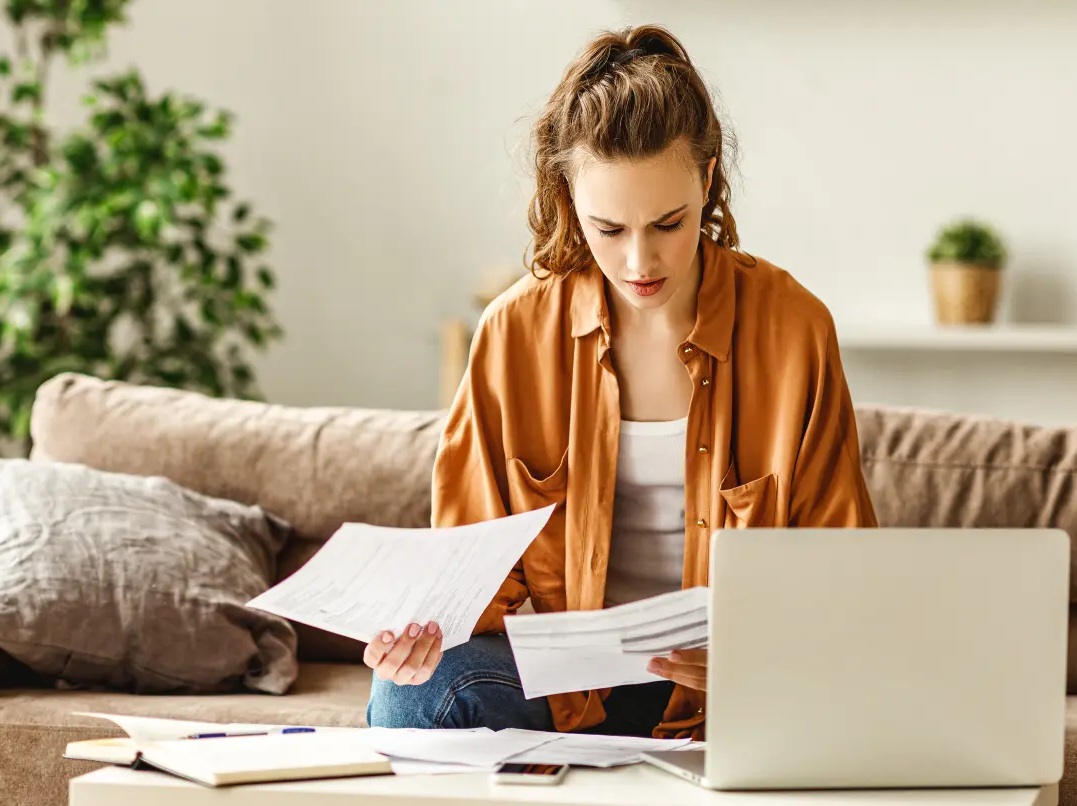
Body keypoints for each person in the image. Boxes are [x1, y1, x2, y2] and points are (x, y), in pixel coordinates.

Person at [365, 24, 877, 740]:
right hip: (564, 688)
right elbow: (469, 573)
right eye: (608, 228)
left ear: (707, 181)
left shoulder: (794, 329)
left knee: (870, 701)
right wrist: (422, 636)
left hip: (741, 687)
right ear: (568, 197)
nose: (640, 260)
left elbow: (842, 571)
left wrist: (765, 657)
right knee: (409, 699)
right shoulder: (514, 333)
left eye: (669, 223)